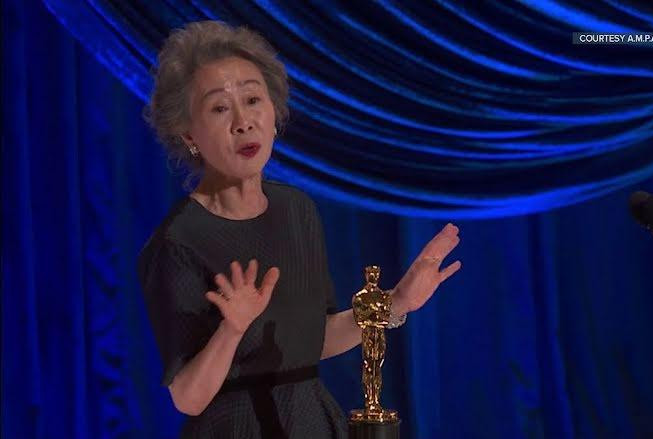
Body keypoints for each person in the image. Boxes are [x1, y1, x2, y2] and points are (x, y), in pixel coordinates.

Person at [137, 20, 461, 438]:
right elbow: (187, 397)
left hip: (311, 421)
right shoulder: (178, 242)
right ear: (189, 135)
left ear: (274, 114)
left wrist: (396, 303)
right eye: (219, 108)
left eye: (253, 99)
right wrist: (232, 329)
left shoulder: (297, 210)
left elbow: (312, 341)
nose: (243, 122)